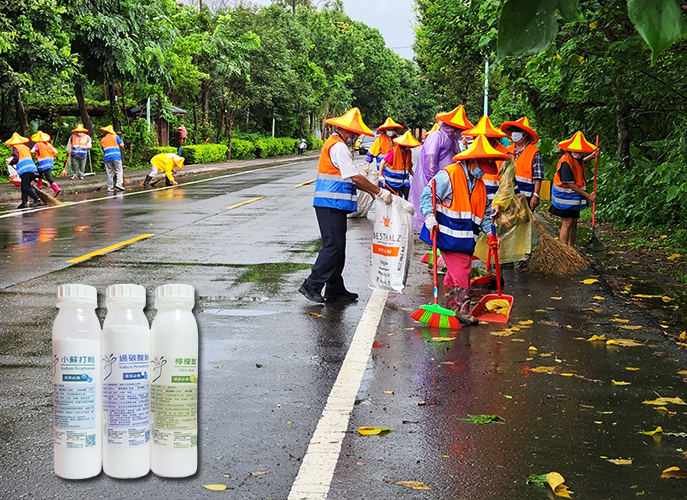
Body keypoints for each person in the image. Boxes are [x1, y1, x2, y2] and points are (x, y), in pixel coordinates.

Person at [299, 107, 393, 304]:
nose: (356, 135)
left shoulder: (336, 143)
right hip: (330, 203)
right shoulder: (339, 147)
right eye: (355, 132)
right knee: (333, 246)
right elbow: (354, 176)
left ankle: (335, 289)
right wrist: (377, 192)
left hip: (333, 203)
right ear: (347, 130)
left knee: (338, 247)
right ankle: (312, 284)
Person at [419, 135, 509, 324]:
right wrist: (429, 217)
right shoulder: (449, 175)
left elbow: (484, 214)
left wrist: (492, 234)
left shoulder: (480, 185)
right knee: (463, 270)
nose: (483, 174)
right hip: (445, 235)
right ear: (473, 161)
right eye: (482, 169)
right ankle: (461, 309)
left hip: (465, 239)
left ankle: (451, 305)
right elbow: (428, 195)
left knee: (454, 274)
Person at [409, 105, 473, 231]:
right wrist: (434, 181)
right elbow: (430, 159)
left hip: (447, 182)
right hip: (438, 182)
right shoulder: (436, 136)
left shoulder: (451, 140)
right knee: (430, 209)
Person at [550, 131, 599, 247]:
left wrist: (591, 157)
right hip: (564, 198)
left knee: (574, 222)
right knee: (567, 223)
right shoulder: (566, 162)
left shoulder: (576, 158)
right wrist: (588, 196)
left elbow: (579, 163)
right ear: (570, 149)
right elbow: (571, 185)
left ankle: (571, 247)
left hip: (573, 198)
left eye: (580, 151)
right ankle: (564, 250)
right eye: (576, 151)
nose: (579, 153)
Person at [461, 116, 509, 228]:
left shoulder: (505, 156)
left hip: (495, 205)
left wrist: (498, 204)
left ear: (493, 138)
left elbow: (506, 186)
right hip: (476, 202)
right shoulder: (473, 153)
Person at [499, 117, 543, 211]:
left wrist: (535, 195)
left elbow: (538, 177)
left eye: (517, 131)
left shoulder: (534, 152)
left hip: (525, 197)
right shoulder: (508, 150)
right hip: (508, 195)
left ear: (525, 134)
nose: (514, 133)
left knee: (524, 224)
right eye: (512, 131)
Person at [378, 130, 420, 200]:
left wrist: (414, 175)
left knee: (409, 197)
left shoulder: (408, 153)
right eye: (407, 146)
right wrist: (380, 175)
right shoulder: (394, 152)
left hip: (404, 182)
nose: (408, 148)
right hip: (392, 181)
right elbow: (383, 162)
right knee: (393, 200)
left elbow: (408, 167)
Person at [5, 132, 42, 209]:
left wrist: (10, 162)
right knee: (24, 186)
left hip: (25, 170)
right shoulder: (26, 147)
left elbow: (16, 158)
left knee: (25, 186)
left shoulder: (16, 148)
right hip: (32, 169)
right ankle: (24, 202)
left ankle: (37, 199)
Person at [30, 131, 61, 196]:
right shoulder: (49, 144)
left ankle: (56, 189)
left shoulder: (38, 144)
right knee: (39, 173)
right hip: (50, 161)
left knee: (48, 176)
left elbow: (32, 151)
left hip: (43, 162)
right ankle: (39, 187)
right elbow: (55, 152)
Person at [99, 125, 125, 192]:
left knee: (109, 172)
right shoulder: (115, 137)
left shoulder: (102, 140)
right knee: (119, 170)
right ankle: (119, 184)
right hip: (116, 157)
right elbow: (122, 144)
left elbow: (103, 149)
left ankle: (109, 187)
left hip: (107, 157)